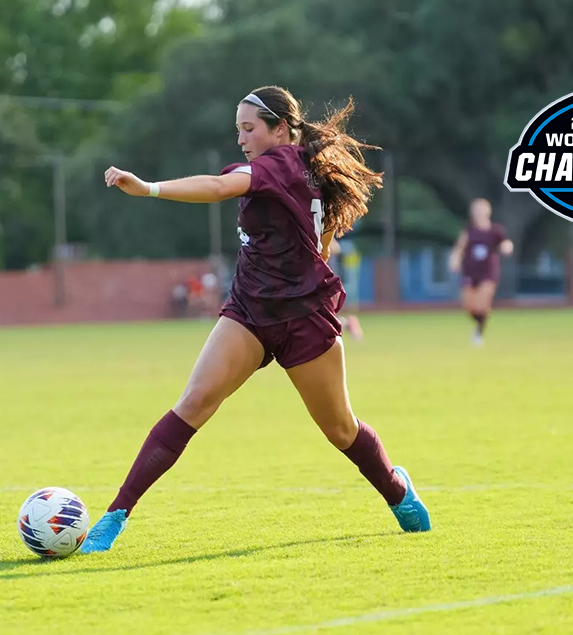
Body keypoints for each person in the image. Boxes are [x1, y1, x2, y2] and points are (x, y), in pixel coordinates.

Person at [79, 86, 431, 554]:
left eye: (249, 129)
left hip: (303, 319)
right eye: (237, 130)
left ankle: (396, 488)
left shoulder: (279, 164)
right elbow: (317, 240)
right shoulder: (296, 169)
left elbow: (220, 186)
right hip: (250, 311)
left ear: (281, 130)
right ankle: (115, 515)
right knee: (195, 401)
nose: (241, 139)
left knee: (340, 430)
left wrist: (148, 188)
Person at [448, 198, 513, 346]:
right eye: (476, 211)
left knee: (482, 303)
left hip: (488, 273)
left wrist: (507, 247)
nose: (479, 214)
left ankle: (478, 333)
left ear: (488, 212)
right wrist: (454, 260)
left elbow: (505, 243)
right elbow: (459, 248)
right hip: (470, 272)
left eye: (481, 210)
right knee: (469, 306)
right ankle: (479, 324)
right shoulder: (468, 231)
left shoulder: (495, 231)